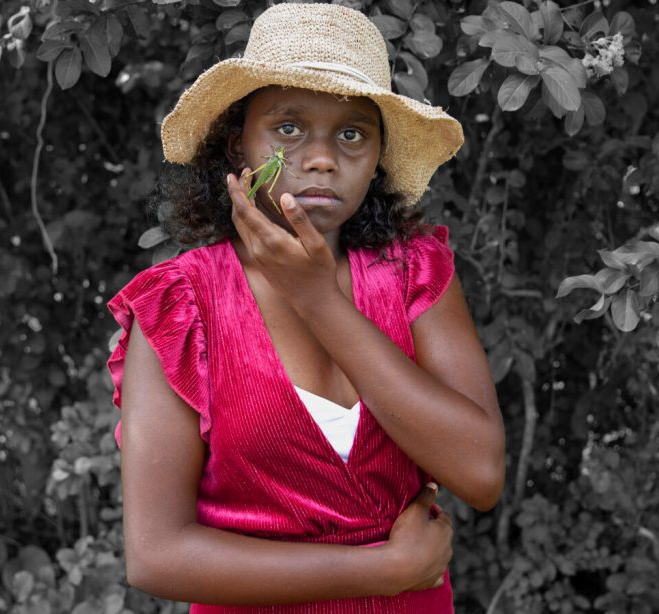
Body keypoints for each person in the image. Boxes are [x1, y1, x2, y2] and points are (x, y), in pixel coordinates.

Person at [105, 3, 504, 612]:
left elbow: (480, 474)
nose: (322, 158)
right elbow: (157, 555)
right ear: (239, 142)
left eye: (351, 133)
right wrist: (382, 570)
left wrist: (319, 300)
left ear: (376, 160)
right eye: (288, 127)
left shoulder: (412, 275)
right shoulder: (182, 306)